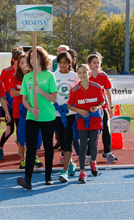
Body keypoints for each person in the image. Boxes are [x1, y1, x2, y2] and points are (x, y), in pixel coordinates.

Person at [17, 48, 58, 190]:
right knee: (31, 147)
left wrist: (40, 91)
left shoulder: (49, 76)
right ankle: (27, 178)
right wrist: (30, 109)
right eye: (31, 58)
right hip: (32, 117)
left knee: (48, 147)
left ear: (42, 59)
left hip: (48, 117)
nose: (33, 60)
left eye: (36, 57)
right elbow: (24, 99)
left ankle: (48, 177)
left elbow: (54, 97)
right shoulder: (27, 77)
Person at [67, 64, 105, 184]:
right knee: (83, 146)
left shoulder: (96, 87)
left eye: (84, 72)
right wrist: (79, 111)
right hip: (82, 121)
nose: (82, 75)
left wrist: (97, 107)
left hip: (95, 120)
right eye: (80, 73)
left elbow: (102, 101)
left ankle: (93, 161)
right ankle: (82, 172)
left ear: (89, 73)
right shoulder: (75, 90)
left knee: (93, 147)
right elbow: (69, 105)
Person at [86, 53, 118, 164]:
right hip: (90, 108)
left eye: (98, 62)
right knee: (93, 130)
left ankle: (107, 152)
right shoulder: (86, 76)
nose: (96, 64)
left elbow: (108, 92)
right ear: (89, 64)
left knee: (106, 127)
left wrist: (110, 107)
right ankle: (88, 152)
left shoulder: (103, 76)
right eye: (94, 62)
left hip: (102, 106)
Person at [53, 51, 80, 183]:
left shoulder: (74, 76)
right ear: (58, 63)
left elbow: (79, 92)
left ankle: (64, 171)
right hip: (57, 112)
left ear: (70, 63)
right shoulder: (53, 76)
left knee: (69, 138)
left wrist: (71, 105)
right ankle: (71, 163)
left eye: (66, 62)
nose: (63, 65)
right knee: (62, 141)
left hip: (71, 112)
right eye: (61, 62)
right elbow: (51, 93)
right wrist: (56, 105)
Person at [0, 48, 24, 160]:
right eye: (19, 60)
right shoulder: (6, 71)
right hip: (9, 102)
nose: (22, 63)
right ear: (13, 60)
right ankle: (0, 146)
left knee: (21, 128)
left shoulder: (25, 73)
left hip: (22, 102)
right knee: (10, 129)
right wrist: (3, 98)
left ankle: (21, 148)